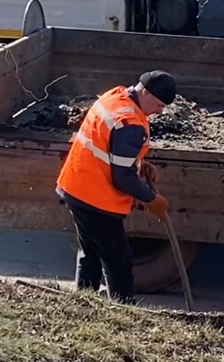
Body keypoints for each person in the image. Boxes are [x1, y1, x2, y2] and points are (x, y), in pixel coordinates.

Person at [55, 70, 177, 304]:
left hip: (77, 186)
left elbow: (107, 145)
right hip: (93, 197)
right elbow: (122, 177)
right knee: (118, 260)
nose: (160, 111)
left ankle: (84, 305)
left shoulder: (116, 96)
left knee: (90, 253)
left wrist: (138, 163)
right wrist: (152, 199)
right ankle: (124, 312)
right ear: (146, 92)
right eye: (160, 105)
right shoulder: (130, 123)